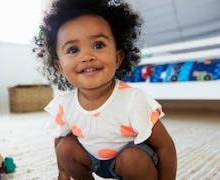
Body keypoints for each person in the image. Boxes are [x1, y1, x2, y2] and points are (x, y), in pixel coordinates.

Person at [34, 0, 177, 179]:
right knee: (65, 148)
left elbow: (165, 146)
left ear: (118, 58)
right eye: (73, 49)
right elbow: (59, 139)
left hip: (130, 161)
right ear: (60, 67)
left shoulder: (132, 99)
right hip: (92, 159)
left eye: (98, 45)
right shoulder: (65, 104)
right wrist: (63, 171)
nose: (86, 56)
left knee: (133, 160)